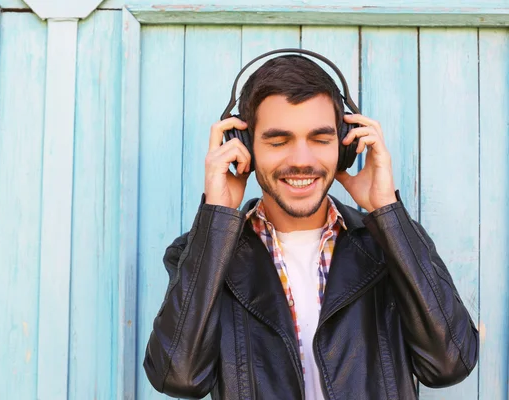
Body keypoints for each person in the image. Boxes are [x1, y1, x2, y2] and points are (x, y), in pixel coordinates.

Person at [143, 52, 479, 400]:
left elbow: (450, 363)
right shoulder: (200, 253)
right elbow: (178, 377)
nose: (302, 160)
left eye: (320, 140)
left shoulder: (390, 243)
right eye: (278, 141)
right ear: (243, 148)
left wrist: (386, 210)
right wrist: (217, 219)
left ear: (345, 145)